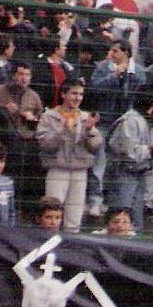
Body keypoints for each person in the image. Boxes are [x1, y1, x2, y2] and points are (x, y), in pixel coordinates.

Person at [35, 81, 103, 233]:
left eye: (81, 94)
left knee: (74, 218)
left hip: (80, 171)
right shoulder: (49, 116)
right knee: (52, 213)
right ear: (63, 94)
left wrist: (89, 130)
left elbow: (96, 146)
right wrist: (63, 131)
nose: (78, 98)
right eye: (74, 93)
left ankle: (72, 244)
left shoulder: (85, 117)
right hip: (57, 169)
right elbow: (45, 144)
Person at [107, 88, 153, 232]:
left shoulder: (144, 120)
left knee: (135, 221)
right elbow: (128, 152)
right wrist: (152, 149)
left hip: (139, 174)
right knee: (121, 218)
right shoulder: (130, 120)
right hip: (124, 174)